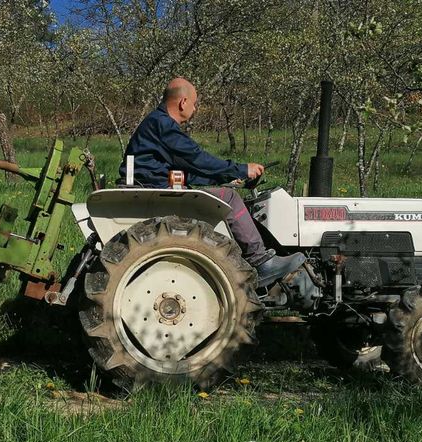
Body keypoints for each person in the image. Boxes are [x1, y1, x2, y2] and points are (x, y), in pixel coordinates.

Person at [120, 77, 305, 286]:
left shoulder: (157, 123)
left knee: (225, 191)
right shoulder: (163, 125)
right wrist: (242, 169)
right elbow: (197, 158)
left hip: (157, 184)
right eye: (194, 103)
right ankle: (260, 261)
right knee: (230, 198)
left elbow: (186, 169)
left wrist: (227, 177)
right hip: (156, 189)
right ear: (183, 102)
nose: (195, 109)